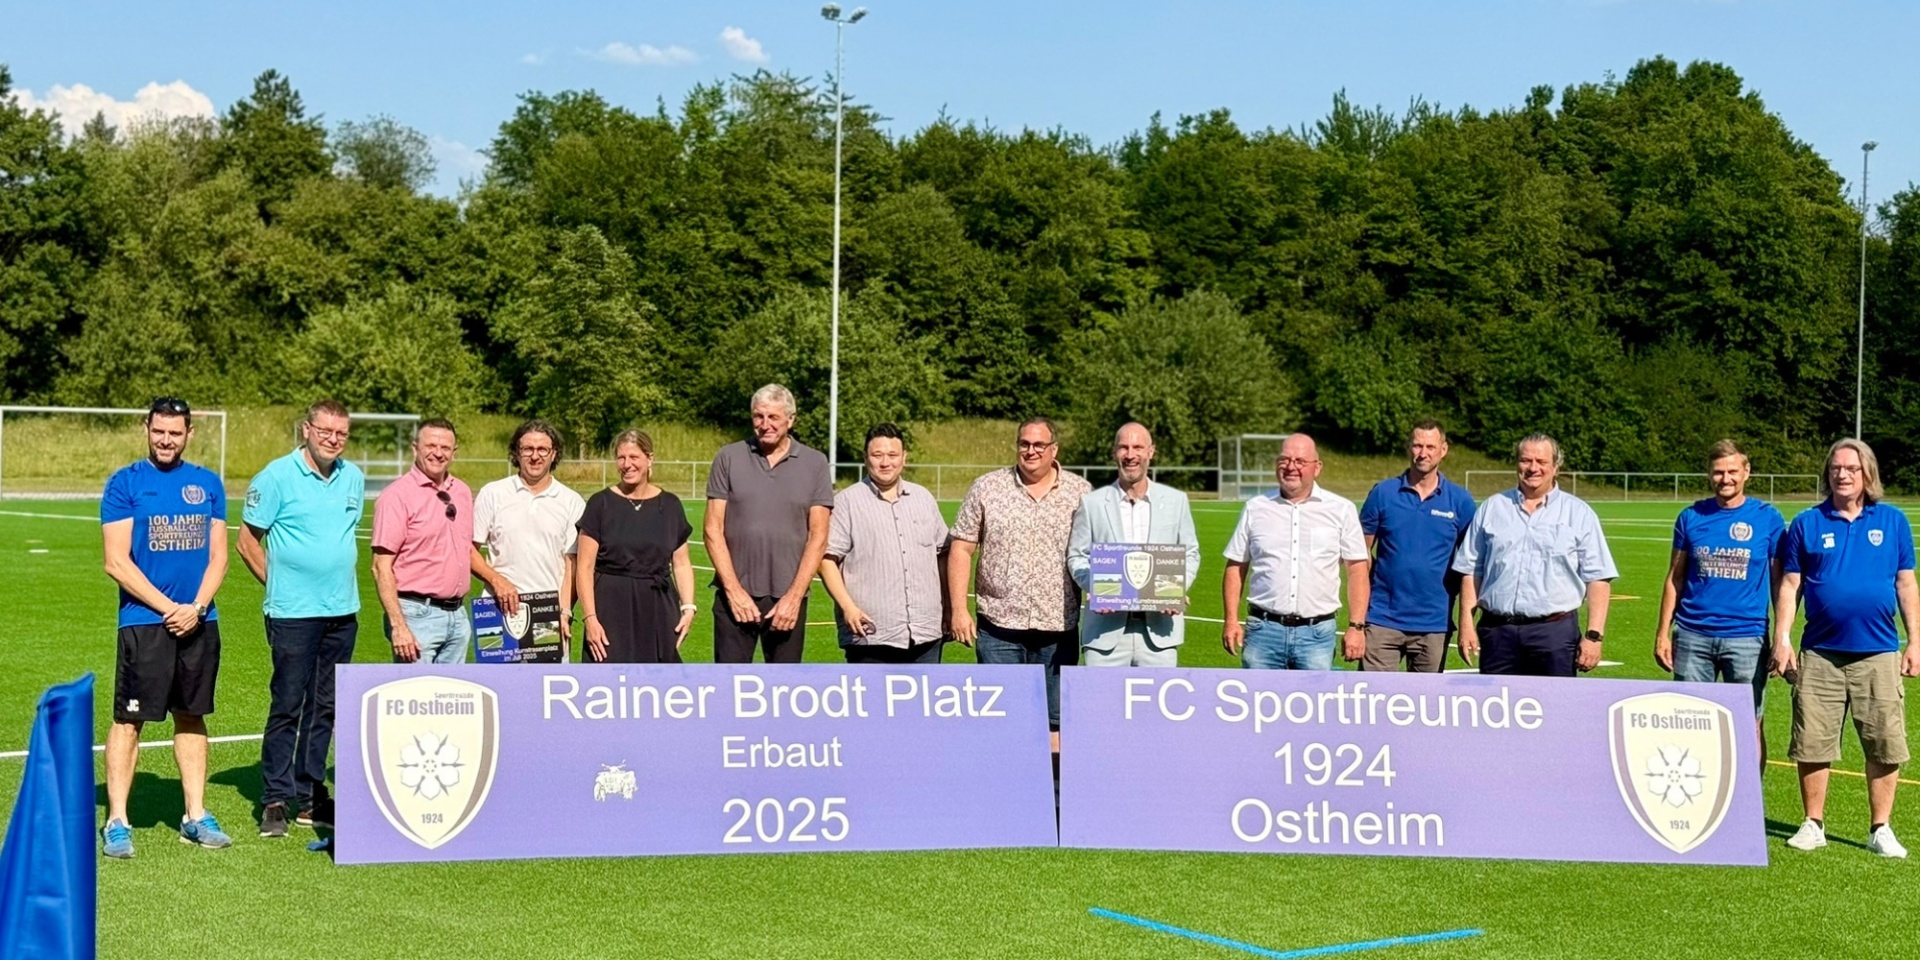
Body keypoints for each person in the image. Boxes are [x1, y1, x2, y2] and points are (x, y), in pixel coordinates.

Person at [1773, 438, 1920, 858]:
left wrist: (1916, 641)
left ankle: (1880, 828)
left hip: (1879, 652)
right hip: (1820, 652)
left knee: (1884, 741)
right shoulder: (1806, 523)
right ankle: (1813, 822)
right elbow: (1790, 584)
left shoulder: (1892, 522)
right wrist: (1783, 638)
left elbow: (1906, 583)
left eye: (1851, 469)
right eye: (1835, 468)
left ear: (1867, 474)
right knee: (1812, 740)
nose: (1842, 474)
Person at [99, 398, 232, 857]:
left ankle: (195, 814)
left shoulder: (207, 484)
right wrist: (168, 608)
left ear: (190, 433)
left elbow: (219, 557)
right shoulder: (125, 483)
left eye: (175, 433)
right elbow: (116, 561)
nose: (166, 440)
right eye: (159, 431)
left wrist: (195, 606)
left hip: (199, 620)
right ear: (147, 428)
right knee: (129, 719)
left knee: (192, 714)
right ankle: (117, 820)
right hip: (144, 624)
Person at [237, 399, 364, 838]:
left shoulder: (353, 477)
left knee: (325, 707)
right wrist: (279, 586)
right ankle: (274, 798)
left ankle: (311, 797)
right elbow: (247, 542)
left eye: (341, 433)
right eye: (325, 431)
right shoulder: (276, 476)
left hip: (342, 613)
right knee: (287, 705)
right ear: (306, 429)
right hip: (293, 615)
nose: (333, 439)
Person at [949, 418, 1092, 748]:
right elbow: (962, 547)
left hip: (1058, 630)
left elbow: (1101, 552)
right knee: (1001, 724)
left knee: (1055, 724)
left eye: (1039, 445)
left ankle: (1053, 798)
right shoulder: (987, 487)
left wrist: (1145, 592)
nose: (1031, 451)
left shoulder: (1080, 492)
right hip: (998, 629)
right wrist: (959, 609)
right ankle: (1003, 796)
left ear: (1053, 449)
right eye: (1024, 444)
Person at [1654, 439, 1785, 766]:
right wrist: (1662, 633)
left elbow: (1779, 583)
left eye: (1732, 471)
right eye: (1718, 472)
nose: (1725, 479)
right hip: (1692, 637)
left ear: (1747, 472)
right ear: (1708, 475)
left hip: (1747, 639)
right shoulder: (1691, 517)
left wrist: (1783, 639)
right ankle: (1696, 801)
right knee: (1688, 723)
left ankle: (1748, 805)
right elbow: (1675, 578)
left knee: (1749, 723)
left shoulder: (1768, 519)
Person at [1452, 434, 1615, 677]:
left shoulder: (1579, 514)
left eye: (1541, 461)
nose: (1533, 468)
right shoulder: (1492, 508)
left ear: (1555, 467)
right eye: (1525, 460)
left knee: (1556, 709)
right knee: (1496, 710)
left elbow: (1598, 578)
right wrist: (1466, 622)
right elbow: (1471, 570)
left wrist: (1594, 636)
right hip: (1498, 632)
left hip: (1554, 634)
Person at [704, 384, 834, 663]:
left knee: (784, 691)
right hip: (734, 599)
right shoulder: (728, 458)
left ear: (791, 419)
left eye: (773, 417)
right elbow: (712, 529)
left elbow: (819, 536)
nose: (765, 425)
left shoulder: (815, 463)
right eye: (758, 416)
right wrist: (734, 591)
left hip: (787, 601)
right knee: (728, 689)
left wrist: (794, 597)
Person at [1221, 434, 1369, 670]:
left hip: (1317, 635)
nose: (1291, 467)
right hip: (1263, 632)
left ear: (1317, 467)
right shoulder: (1256, 507)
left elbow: (1357, 571)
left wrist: (1357, 626)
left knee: (1312, 705)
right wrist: (1230, 619)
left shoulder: (1341, 510)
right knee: (1260, 704)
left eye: (1300, 461)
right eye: (1284, 460)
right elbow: (1236, 566)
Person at [1066, 423, 1200, 667]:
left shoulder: (1176, 501)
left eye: (1138, 447)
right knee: (1101, 705)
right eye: (1123, 447)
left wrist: (1177, 589)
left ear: (1151, 452)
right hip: (1104, 635)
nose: (1130, 455)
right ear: (1114, 452)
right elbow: (1077, 557)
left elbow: (1191, 553)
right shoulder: (1092, 503)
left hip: (1159, 635)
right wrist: (1096, 587)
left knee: (1157, 706)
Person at [821, 423, 951, 664]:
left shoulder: (923, 498)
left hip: (926, 634)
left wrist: (950, 608)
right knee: (871, 703)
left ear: (904, 458)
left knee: (923, 703)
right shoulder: (847, 502)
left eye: (892, 455)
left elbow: (943, 554)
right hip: (871, 634)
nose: (885, 462)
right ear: (865, 457)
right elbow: (827, 560)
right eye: (877, 455)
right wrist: (848, 608)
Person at [1357, 421, 1476, 672]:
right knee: (1372, 703)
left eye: (1430, 447)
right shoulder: (1383, 493)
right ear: (1408, 448)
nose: (1423, 453)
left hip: (1434, 623)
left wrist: (1466, 618)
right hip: (1382, 621)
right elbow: (1359, 553)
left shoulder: (1460, 501)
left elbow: (1471, 563)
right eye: (1417, 446)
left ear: (1443, 450)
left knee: (1426, 707)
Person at [471, 419, 587, 660]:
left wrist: (564, 612)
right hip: (497, 609)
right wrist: (497, 581)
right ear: (517, 452)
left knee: (545, 691)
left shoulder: (571, 501)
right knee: (497, 690)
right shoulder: (493, 493)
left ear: (554, 454)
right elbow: (468, 551)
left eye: (543, 449)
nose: (535, 456)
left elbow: (571, 565)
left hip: (547, 615)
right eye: (528, 449)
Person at [578, 430, 696, 663]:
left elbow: (681, 563)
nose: (627, 464)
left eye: (634, 457)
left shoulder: (670, 505)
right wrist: (590, 618)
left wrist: (689, 607)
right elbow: (584, 567)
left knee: (657, 685)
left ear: (649, 459)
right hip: (610, 609)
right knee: (608, 684)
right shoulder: (599, 504)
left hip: (658, 609)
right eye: (621, 458)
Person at [370, 419, 475, 664]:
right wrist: (399, 625)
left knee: (450, 699)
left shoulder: (461, 491)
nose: (438, 453)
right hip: (416, 615)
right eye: (430, 445)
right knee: (415, 698)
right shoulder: (397, 496)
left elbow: (466, 549)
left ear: (454, 452)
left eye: (445, 448)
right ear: (415, 448)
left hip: (458, 615)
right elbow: (380, 566)